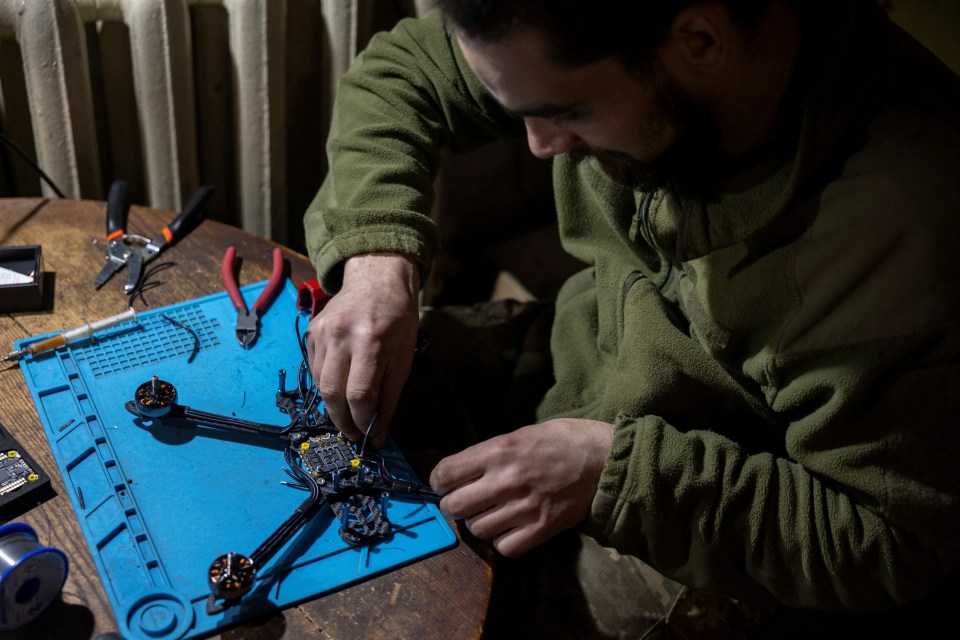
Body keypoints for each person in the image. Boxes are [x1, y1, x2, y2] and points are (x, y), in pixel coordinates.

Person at [303, 0, 960, 634]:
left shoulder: (908, 229)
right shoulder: (580, 35)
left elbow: (892, 545)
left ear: (699, 41)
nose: (539, 146)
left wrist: (617, 475)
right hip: (578, 360)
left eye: (565, 111)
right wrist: (376, 258)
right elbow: (402, 71)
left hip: (721, 520)